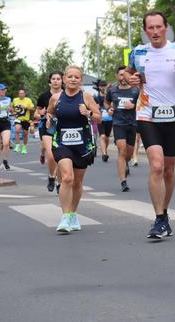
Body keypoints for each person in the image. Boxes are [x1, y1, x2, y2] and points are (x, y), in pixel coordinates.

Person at [125, 10, 175, 240]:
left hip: (172, 116)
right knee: (157, 166)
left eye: (159, 27)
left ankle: (164, 213)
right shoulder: (138, 53)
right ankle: (159, 219)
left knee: (169, 170)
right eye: (151, 28)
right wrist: (130, 79)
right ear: (145, 30)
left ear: (166, 28)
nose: (155, 31)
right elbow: (128, 75)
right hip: (147, 114)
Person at [46, 65, 101, 233]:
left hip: (82, 144)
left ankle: (72, 214)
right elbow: (50, 114)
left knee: (77, 182)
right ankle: (65, 217)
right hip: (61, 142)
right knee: (67, 178)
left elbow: (99, 118)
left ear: (81, 80)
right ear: (64, 79)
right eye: (69, 76)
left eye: (76, 77)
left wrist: (88, 114)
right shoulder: (56, 98)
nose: (73, 79)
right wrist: (49, 120)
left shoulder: (86, 97)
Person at [105, 66, 140, 192]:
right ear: (117, 76)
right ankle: (123, 181)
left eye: (125, 75)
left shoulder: (136, 91)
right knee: (122, 150)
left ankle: (125, 164)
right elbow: (107, 102)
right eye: (120, 75)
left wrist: (134, 105)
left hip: (132, 124)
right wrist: (109, 109)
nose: (123, 78)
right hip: (118, 123)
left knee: (129, 154)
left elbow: (144, 104)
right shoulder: (112, 90)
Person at [35, 72, 64, 191]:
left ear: (63, 81)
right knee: (51, 156)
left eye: (58, 79)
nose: (56, 81)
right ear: (50, 81)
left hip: (63, 127)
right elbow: (36, 114)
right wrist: (40, 113)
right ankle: (52, 176)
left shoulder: (66, 95)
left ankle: (59, 182)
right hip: (47, 127)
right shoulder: (43, 96)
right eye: (53, 79)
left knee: (61, 157)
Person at [94, 81, 113, 162]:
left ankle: (105, 150)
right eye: (101, 86)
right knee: (102, 136)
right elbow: (95, 107)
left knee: (107, 137)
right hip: (100, 119)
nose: (103, 88)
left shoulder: (110, 96)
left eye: (104, 86)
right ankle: (104, 154)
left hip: (109, 119)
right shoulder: (96, 97)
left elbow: (112, 105)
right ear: (99, 87)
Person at [12, 89, 35, 154]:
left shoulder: (28, 100)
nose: (21, 94)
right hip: (18, 118)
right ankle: (17, 146)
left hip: (26, 119)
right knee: (17, 130)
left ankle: (24, 147)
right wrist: (13, 111)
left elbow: (33, 109)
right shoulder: (15, 100)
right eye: (19, 93)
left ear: (25, 94)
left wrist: (26, 107)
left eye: (22, 93)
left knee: (25, 134)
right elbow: (11, 107)